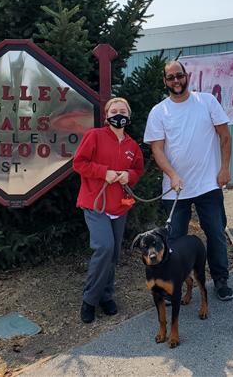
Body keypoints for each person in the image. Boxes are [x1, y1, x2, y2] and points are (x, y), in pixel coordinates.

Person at [143, 60, 233, 301]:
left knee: (215, 233)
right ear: (165, 81)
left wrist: (224, 168)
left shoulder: (207, 102)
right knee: (173, 241)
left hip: (208, 185)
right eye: (170, 77)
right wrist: (172, 175)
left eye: (179, 76)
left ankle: (221, 280)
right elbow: (157, 150)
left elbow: (225, 136)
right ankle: (170, 283)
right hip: (176, 191)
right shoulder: (158, 112)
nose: (176, 81)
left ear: (187, 76)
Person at [73, 97, 144, 323]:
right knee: (104, 247)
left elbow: (137, 169)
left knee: (113, 254)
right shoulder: (94, 136)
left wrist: (129, 176)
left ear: (129, 116)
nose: (118, 113)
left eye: (123, 110)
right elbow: (79, 163)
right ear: (107, 115)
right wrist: (103, 172)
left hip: (119, 206)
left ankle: (106, 295)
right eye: (114, 110)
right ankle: (90, 300)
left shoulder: (132, 146)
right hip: (95, 203)